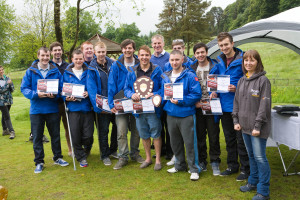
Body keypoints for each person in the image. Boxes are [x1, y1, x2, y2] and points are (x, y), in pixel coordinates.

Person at [21, 47, 69, 173]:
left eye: (47, 55)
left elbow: (61, 88)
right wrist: (36, 94)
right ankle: (39, 162)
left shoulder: (55, 71)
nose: (45, 58)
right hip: (36, 110)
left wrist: (56, 95)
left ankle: (57, 157)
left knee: (55, 136)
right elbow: (24, 88)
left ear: (49, 56)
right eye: (43, 55)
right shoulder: (30, 71)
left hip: (52, 109)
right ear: (38, 56)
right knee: (37, 137)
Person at [210, 32, 250, 181]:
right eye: (221, 45)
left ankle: (246, 169)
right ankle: (232, 166)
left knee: (241, 139)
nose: (224, 48)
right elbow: (212, 80)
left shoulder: (244, 59)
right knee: (229, 138)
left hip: (239, 106)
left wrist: (237, 88)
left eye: (226, 44)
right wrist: (213, 92)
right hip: (223, 106)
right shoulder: (218, 61)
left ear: (232, 43)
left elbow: (251, 79)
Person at [232, 50, 271, 200]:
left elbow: (264, 106)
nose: (248, 63)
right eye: (246, 60)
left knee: (260, 158)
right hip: (244, 127)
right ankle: (252, 182)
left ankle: (263, 191)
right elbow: (237, 103)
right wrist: (236, 121)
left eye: (252, 60)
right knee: (251, 156)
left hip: (257, 128)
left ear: (258, 62)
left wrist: (258, 126)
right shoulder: (242, 80)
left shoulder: (263, 81)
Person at [163, 50, 202, 181]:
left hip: (186, 114)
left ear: (182, 59)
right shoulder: (166, 76)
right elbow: (162, 92)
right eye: (172, 60)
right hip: (170, 114)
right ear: (169, 61)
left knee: (190, 143)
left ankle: (194, 169)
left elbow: (196, 94)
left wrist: (181, 101)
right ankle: (179, 164)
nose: (174, 62)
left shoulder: (190, 75)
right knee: (175, 142)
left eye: (177, 60)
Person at [124, 45, 163, 170]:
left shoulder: (157, 70)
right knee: (144, 134)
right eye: (142, 55)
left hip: (153, 109)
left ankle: (157, 160)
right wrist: (132, 94)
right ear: (138, 56)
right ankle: (148, 158)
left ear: (150, 56)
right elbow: (126, 89)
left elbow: (164, 87)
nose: (144, 57)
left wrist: (156, 94)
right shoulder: (132, 71)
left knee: (156, 133)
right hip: (139, 108)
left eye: (147, 55)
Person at [108, 39, 144, 170]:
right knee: (121, 130)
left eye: (130, 48)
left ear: (134, 49)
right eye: (125, 48)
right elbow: (111, 84)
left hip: (136, 101)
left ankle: (134, 153)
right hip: (120, 102)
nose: (127, 50)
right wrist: (111, 103)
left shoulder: (140, 63)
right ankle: (123, 156)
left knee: (136, 130)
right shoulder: (116, 65)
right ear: (122, 50)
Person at [189, 43, 221, 175]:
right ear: (195, 55)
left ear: (207, 52)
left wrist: (217, 92)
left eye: (202, 52)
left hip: (212, 106)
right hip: (198, 106)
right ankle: (202, 161)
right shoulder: (190, 69)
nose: (200, 55)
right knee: (200, 135)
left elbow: (222, 83)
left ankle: (215, 161)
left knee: (214, 134)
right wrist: (194, 103)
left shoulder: (215, 66)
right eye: (197, 53)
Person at [87, 42, 118, 166]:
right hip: (102, 106)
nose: (101, 54)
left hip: (114, 103)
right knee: (103, 131)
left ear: (106, 52)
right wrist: (98, 108)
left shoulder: (113, 64)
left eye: (103, 52)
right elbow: (91, 89)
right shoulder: (91, 68)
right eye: (99, 52)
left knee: (117, 128)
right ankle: (104, 155)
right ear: (95, 52)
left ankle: (113, 150)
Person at [63, 49, 94, 168]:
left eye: (80, 58)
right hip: (73, 109)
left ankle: (86, 149)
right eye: (76, 59)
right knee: (75, 135)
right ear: (72, 59)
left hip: (86, 108)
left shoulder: (89, 71)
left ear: (83, 59)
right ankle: (81, 157)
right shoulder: (66, 73)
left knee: (88, 135)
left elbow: (92, 87)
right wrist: (66, 98)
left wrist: (88, 93)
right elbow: (63, 90)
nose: (78, 61)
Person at [150, 34, 172, 160]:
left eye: (159, 43)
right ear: (152, 45)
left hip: (167, 96)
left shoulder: (169, 57)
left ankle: (170, 151)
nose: (157, 45)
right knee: (158, 126)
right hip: (155, 96)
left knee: (168, 126)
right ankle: (161, 149)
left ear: (163, 44)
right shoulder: (150, 58)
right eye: (155, 43)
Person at [49, 42, 72, 156]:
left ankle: (70, 149)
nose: (57, 52)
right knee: (55, 129)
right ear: (51, 52)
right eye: (55, 50)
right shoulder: (48, 65)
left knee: (68, 127)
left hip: (66, 101)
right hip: (53, 102)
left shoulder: (68, 66)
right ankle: (57, 154)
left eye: (59, 50)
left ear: (62, 51)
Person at [0, 65, 15, 139]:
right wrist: (7, 84)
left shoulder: (7, 78)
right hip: (1, 101)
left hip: (8, 100)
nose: (1, 71)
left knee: (4, 115)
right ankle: (12, 131)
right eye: (0, 70)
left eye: (2, 69)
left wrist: (11, 84)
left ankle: (5, 130)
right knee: (7, 116)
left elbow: (12, 89)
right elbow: (1, 90)